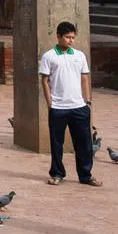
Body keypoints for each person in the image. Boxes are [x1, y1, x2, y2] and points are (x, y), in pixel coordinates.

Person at [39, 22, 100, 187]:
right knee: (56, 143)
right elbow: (44, 81)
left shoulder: (79, 56)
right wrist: (50, 103)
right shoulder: (49, 56)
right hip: (58, 107)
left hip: (79, 106)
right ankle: (57, 173)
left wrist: (87, 101)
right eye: (67, 37)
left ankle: (86, 175)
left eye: (73, 37)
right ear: (58, 36)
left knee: (84, 144)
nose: (71, 40)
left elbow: (84, 78)